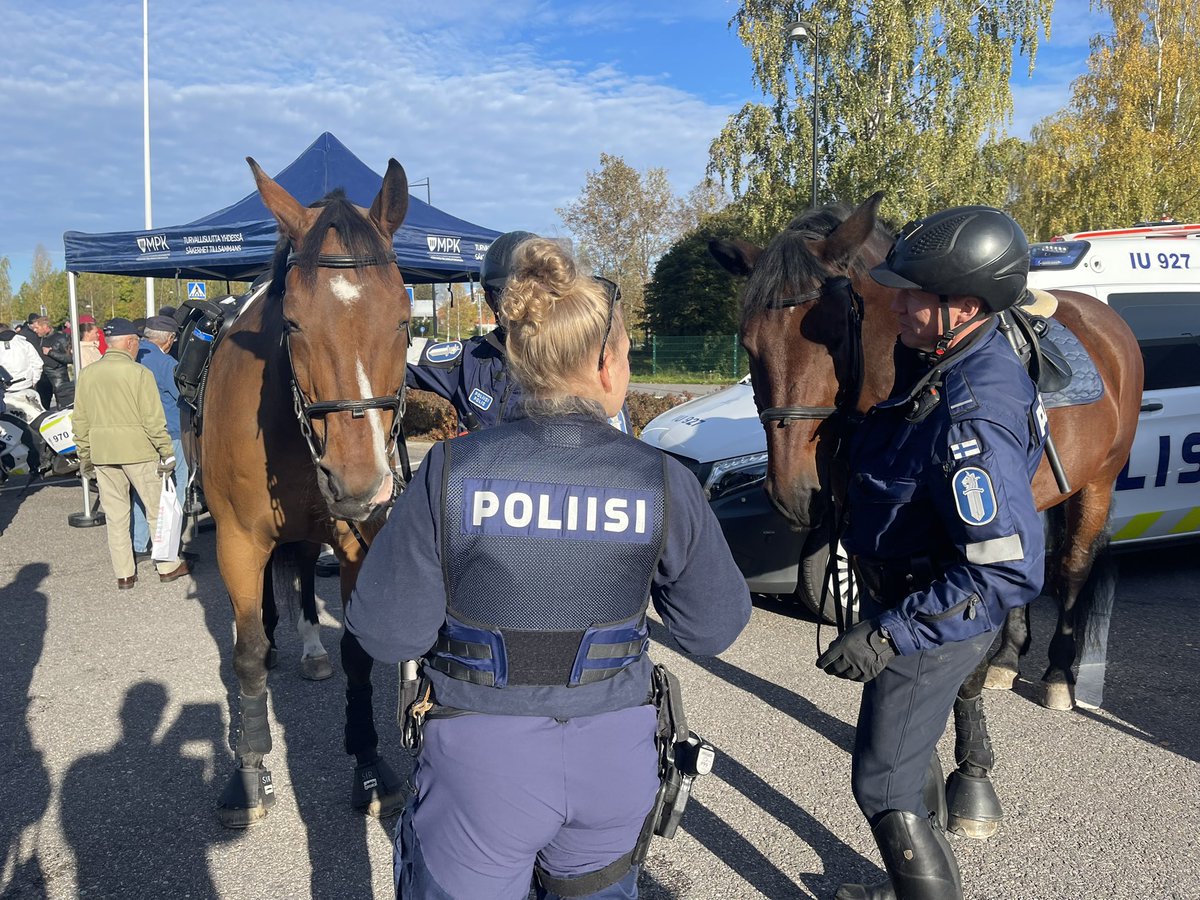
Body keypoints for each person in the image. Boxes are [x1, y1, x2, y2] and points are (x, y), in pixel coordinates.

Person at [347, 236, 751, 899]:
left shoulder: (452, 471)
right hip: (614, 757)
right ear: (605, 364)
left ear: (516, 356)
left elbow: (388, 634)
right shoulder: (660, 479)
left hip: (481, 761)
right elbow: (712, 626)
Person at [816, 206, 1047, 900]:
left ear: (966, 306)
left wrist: (890, 632)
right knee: (906, 765)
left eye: (917, 294)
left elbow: (1003, 568)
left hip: (933, 615)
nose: (901, 303)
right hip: (911, 597)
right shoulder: (943, 362)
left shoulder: (972, 412)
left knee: (881, 782)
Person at [406, 230, 631, 434]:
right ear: (490, 300)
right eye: (509, 295)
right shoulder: (469, 360)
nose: (522, 303)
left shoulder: (581, 355)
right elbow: (393, 351)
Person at [73, 318, 191, 589]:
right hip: (139, 452)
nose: (139, 347)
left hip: (103, 454)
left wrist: (85, 457)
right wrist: (166, 452)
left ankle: (125, 574)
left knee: (116, 517)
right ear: (129, 343)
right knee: (156, 510)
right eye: (137, 342)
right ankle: (167, 565)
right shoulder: (139, 374)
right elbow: (153, 420)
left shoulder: (88, 374)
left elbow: (80, 421)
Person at [130, 315, 190, 561]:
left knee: (142, 490)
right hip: (170, 432)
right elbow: (183, 396)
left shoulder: (131, 356)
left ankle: (139, 543)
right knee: (174, 491)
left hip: (138, 433)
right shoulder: (166, 363)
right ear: (170, 339)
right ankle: (167, 547)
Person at [0, 321, 45, 411]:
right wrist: (33, 380)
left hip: (5, 390)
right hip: (26, 386)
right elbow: (38, 363)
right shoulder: (24, 343)